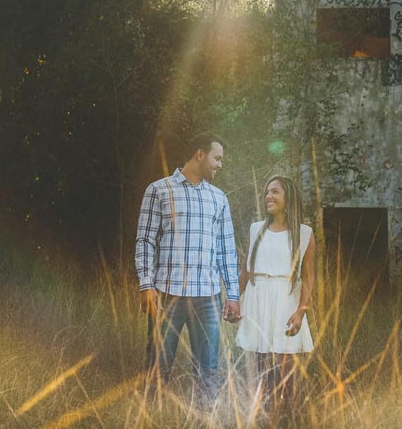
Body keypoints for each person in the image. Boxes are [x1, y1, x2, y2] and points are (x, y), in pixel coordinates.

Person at [135, 134, 241, 404]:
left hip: (208, 298)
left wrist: (233, 295)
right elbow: (145, 240)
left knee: (208, 370)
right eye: (217, 158)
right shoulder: (159, 190)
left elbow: (226, 249)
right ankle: (151, 417)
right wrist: (146, 285)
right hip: (167, 295)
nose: (220, 165)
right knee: (158, 366)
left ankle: (206, 419)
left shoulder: (219, 198)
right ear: (200, 154)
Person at [236, 175, 315, 419]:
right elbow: (246, 270)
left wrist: (301, 311)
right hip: (257, 299)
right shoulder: (255, 229)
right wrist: (231, 300)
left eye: (275, 192)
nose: (268, 196)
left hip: (286, 301)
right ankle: (259, 418)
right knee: (259, 371)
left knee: (285, 371)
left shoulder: (304, 233)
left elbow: (309, 277)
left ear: (288, 197)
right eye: (267, 192)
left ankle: (286, 418)